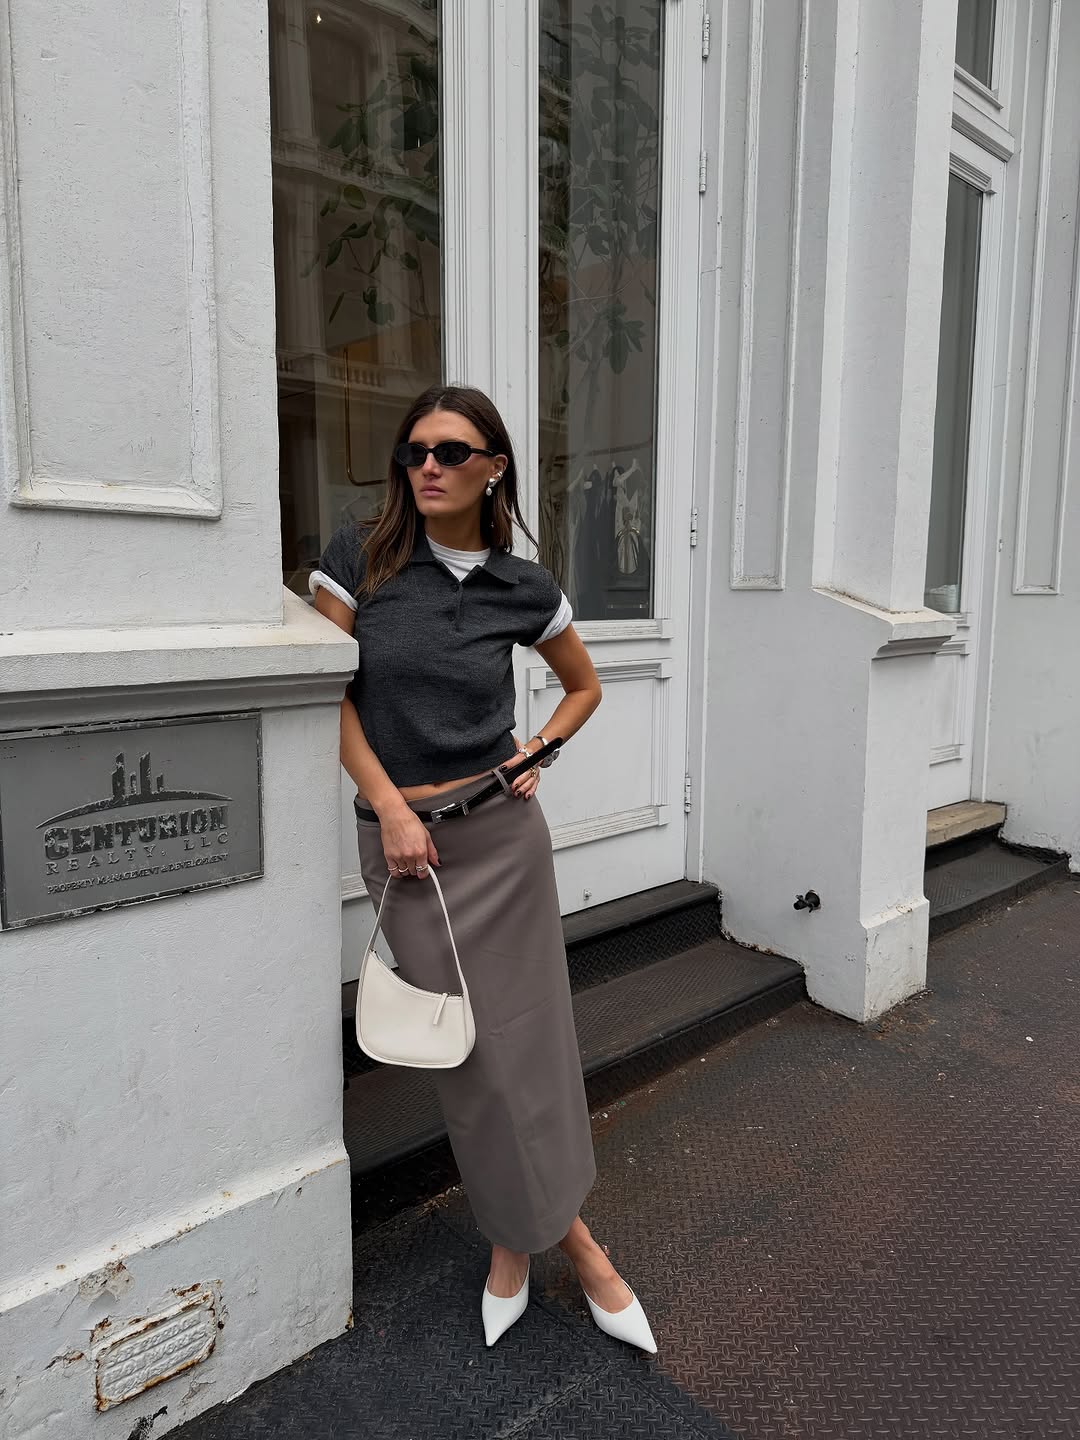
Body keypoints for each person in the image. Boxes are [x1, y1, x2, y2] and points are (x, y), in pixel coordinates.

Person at [312, 384, 656, 1353]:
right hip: (408, 850)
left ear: (494, 468)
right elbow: (327, 699)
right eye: (415, 449)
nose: (427, 465)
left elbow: (583, 688)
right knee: (473, 1062)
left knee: (534, 1048)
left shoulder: (521, 586)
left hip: (502, 842)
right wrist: (388, 807)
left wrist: (534, 751)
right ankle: (580, 1251)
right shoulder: (361, 560)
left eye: (452, 451)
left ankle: (515, 1248)